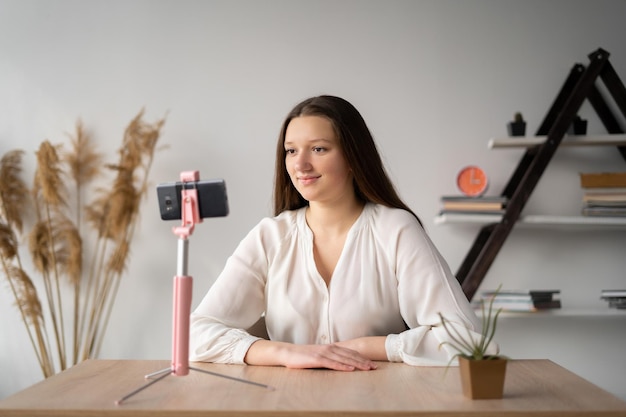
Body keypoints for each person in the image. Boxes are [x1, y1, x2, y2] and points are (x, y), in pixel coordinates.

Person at [189, 95, 492, 371]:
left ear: (352, 157)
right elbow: (195, 334)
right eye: (291, 151)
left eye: (318, 149)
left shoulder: (396, 230)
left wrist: (366, 347)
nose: (300, 164)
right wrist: (286, 353)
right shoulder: (270, 236)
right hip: (285, 401)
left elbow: (468, 340)